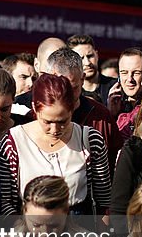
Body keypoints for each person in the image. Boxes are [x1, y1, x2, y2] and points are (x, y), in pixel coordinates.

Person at [0, 74, 110, 216]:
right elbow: (5, 201)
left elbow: (103, 199)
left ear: (73, 108)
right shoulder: (13, 143)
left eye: (63, 121)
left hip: (78, 227)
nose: (55, 130)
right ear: (34, 109)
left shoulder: (91, 140)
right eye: (47, 122)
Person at [45, 46, 122, 175]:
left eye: (73, 88)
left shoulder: (101, 116)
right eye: (61, 87)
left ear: (82, 79)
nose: (66, 95)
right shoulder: (35, 116)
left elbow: (116, 166)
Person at [67, 34, 115, 104]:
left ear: (97, 55)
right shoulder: (69, 93)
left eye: (90, 56)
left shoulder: (114, 87)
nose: (87, 63)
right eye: (81, 58)